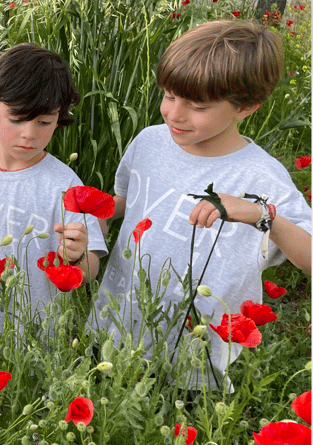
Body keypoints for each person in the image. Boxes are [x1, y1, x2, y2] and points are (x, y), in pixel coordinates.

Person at [92, 20, 312, 390]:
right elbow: (132, 202)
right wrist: (89, 210)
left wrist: (261, 215)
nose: (174, 114)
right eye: (169, 96)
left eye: (197, 106)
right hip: (116, 327)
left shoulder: (261, 177)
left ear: (245, 108)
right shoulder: (149, 142)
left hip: (192, 359)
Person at [0, 43, 107, 358]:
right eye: (17, 119)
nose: (29, 134)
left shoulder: (65, 185)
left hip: (39, 339)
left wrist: (77, 257)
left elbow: (91, 267)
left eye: (44, 122)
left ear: (59, 118)